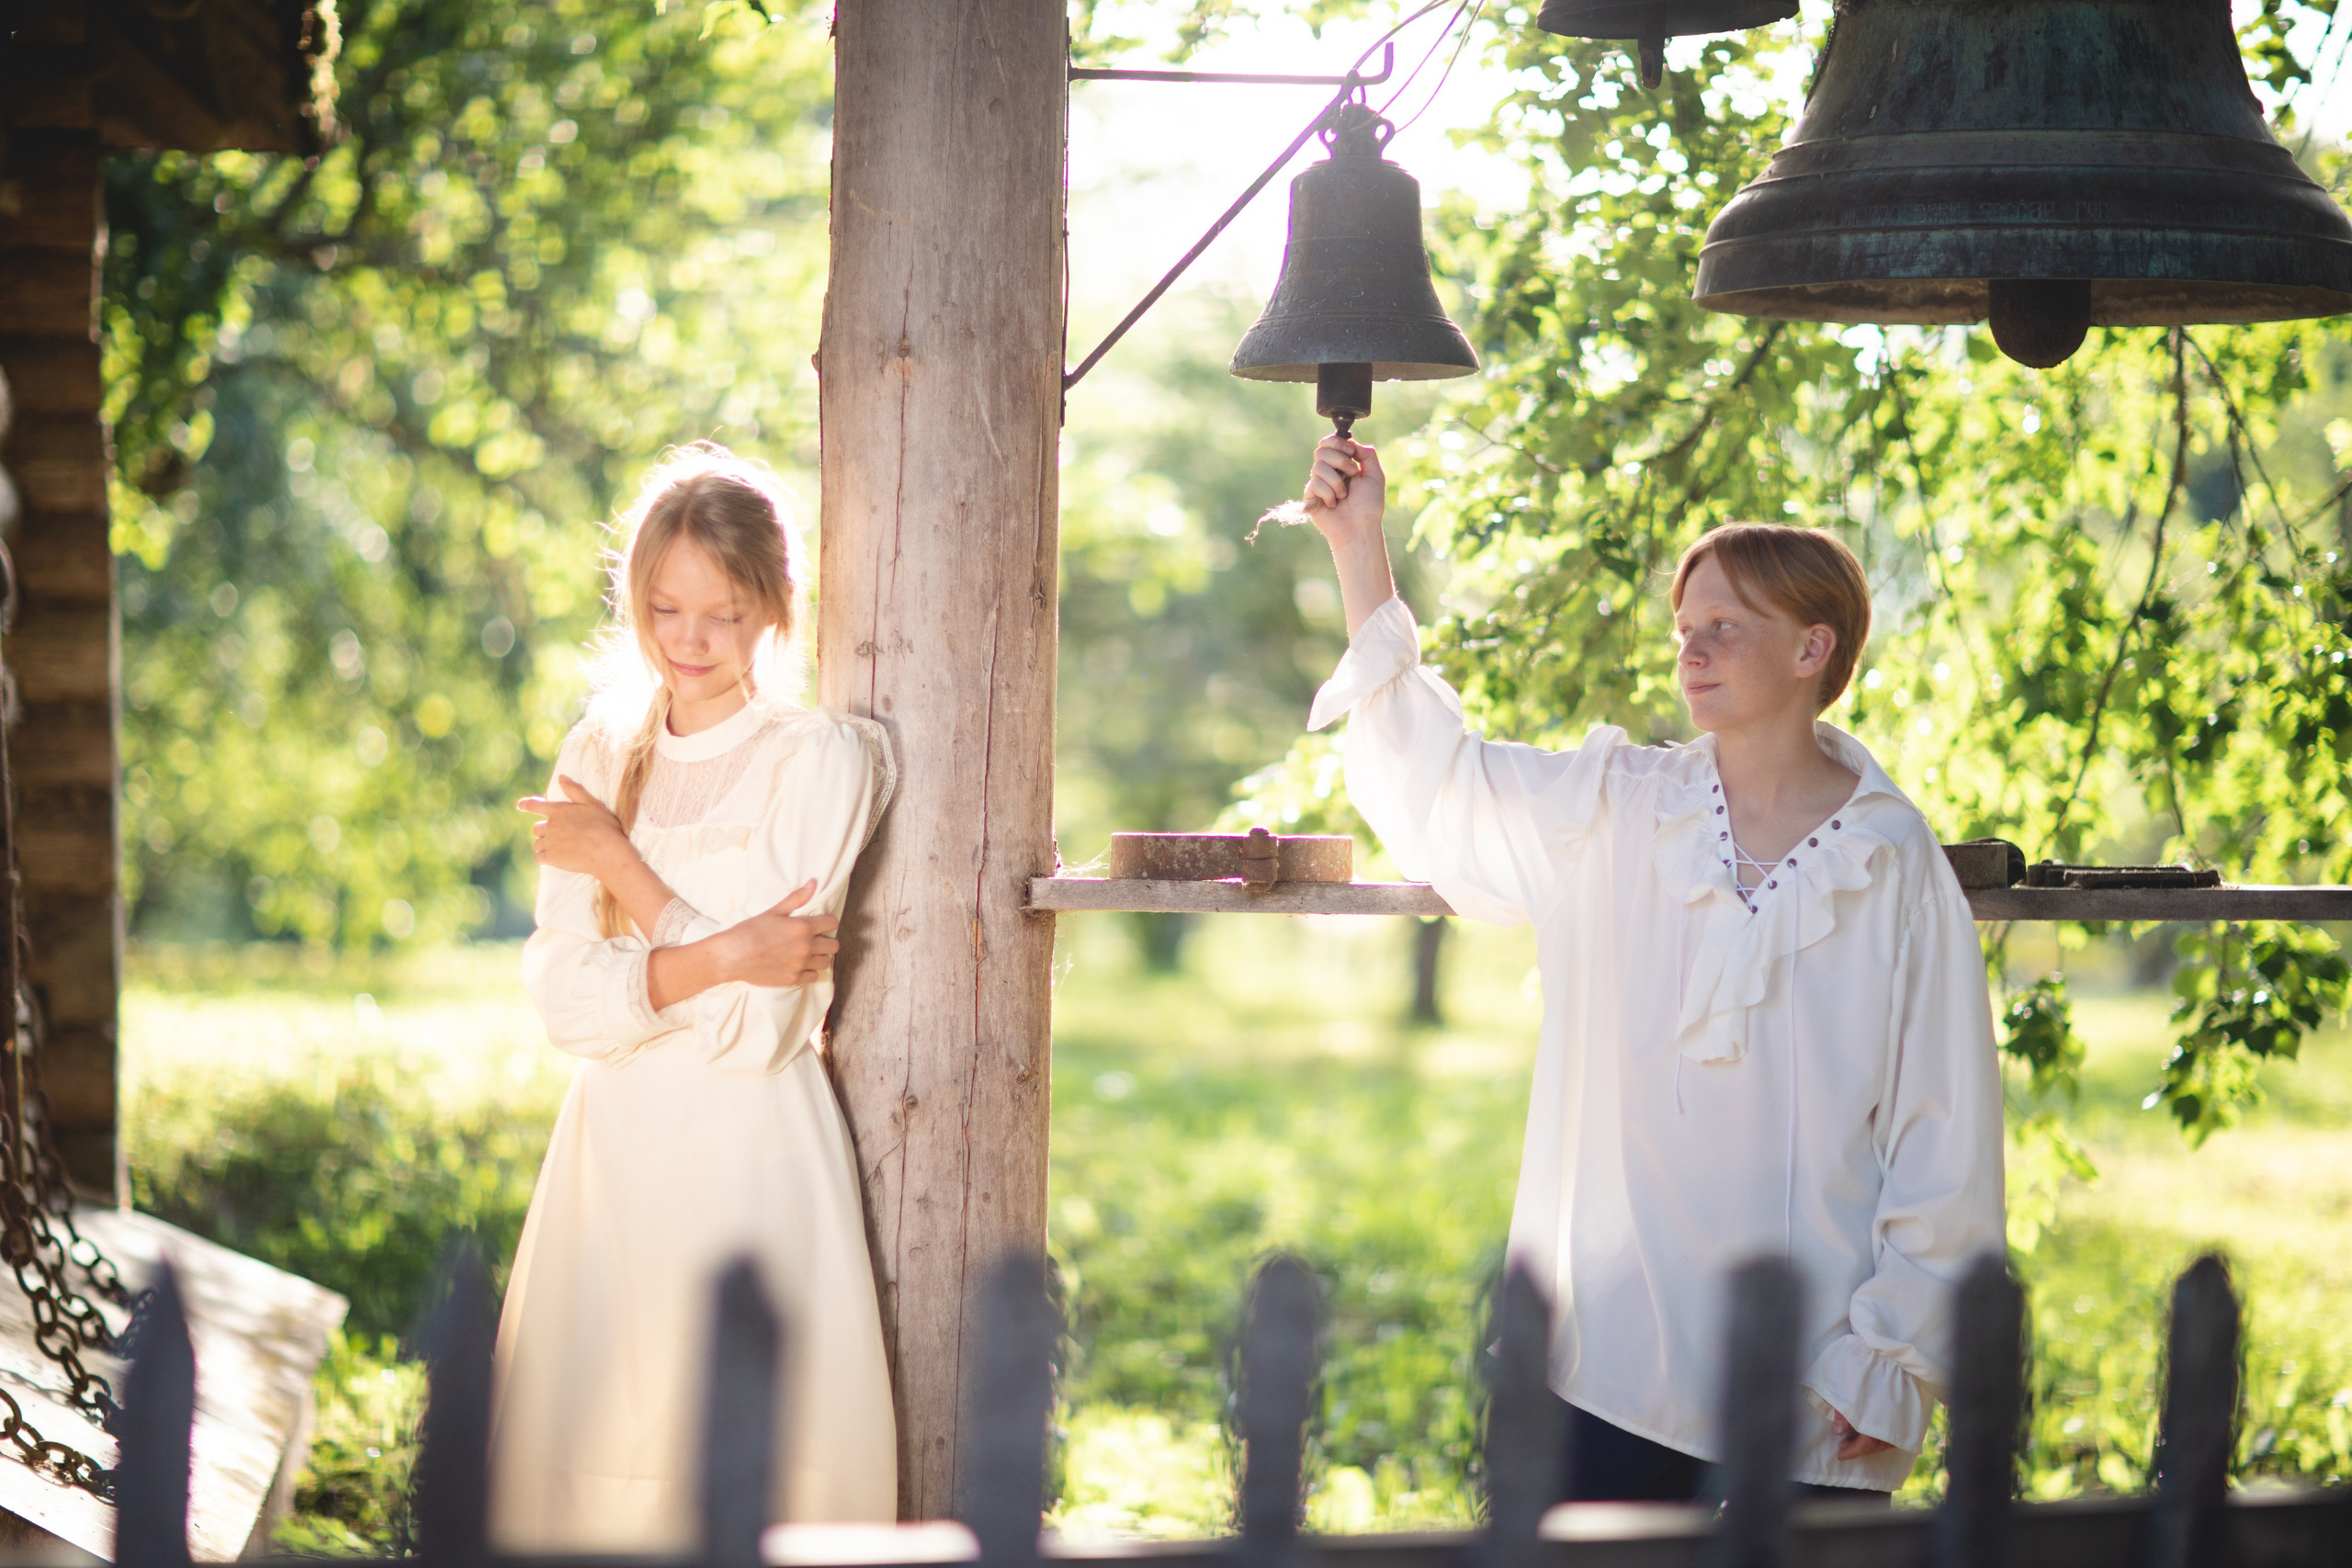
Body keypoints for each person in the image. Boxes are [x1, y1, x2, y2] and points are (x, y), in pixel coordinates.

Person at [1297, 434, 2003, 1502]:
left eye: (1726, 627)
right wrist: (1360, 549)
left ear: (1814, 649)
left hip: (1818, 1375)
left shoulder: (1889, 858)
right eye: (1686, 629)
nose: (1693, 650)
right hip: (1613, 1359)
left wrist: (1888, 1358)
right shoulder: (1615, 809)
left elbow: (1942, 1128)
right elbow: (1438, 785)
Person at [494, 443, 896, 1549]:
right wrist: (721, 954)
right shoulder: (596, 755)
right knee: (593, 1469)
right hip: (611, 1155)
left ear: (773, 605)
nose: (689, 642)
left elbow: (760, 1027)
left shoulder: (819, 762)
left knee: (747, 1464)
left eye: (722, 613)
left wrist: (624, 873)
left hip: (750, 1153)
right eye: (665, 609)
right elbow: (566, 1000)